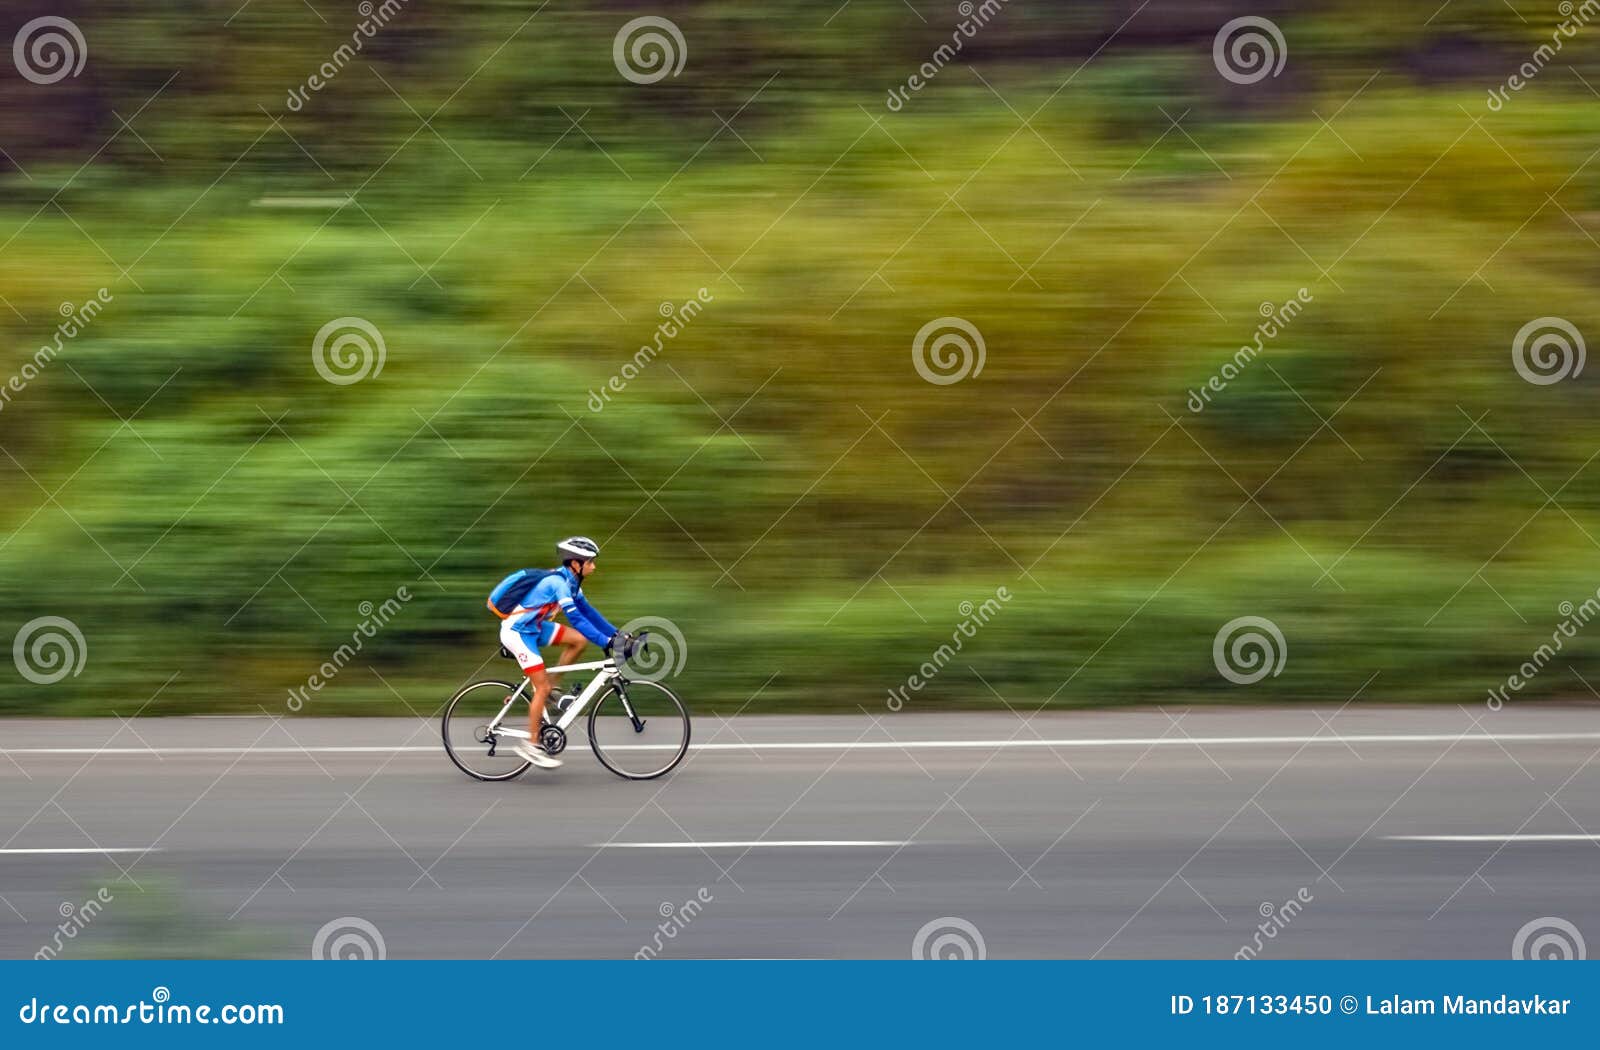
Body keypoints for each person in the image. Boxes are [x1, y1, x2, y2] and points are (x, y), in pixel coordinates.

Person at [488, 537, 632, 769]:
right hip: (517, 633)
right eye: (590, 562)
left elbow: (589, 613)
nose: (594, 566)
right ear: (576, 564)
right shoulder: (558, 584)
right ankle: (531, 745)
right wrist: (605, 642)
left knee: (578, 641)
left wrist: (618, 636)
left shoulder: (572, 583)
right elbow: (575, 618)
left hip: (534, 628)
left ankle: (552, 689)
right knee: (540, 687)